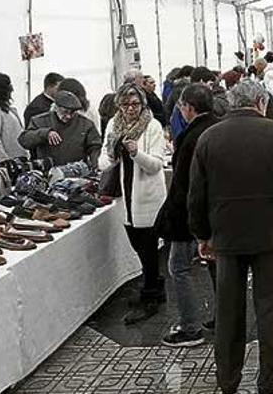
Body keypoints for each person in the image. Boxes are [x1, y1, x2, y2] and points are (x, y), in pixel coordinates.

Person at [188, 79, 273, 394]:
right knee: (269, 307)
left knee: (228, 310)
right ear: (261, 102)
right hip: (270, 235)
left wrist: (203, 234)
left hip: (226, 238)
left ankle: (228, 380)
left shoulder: (209, 137)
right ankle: (270, 376)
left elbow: (196, 195)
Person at [156, 83, 220, 347]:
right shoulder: (219, 128)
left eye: (181, 105)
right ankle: (223, 317)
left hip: (191, 216)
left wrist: (177, 219)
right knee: (218, 268)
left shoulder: (191, 137)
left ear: (189, 108)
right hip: (218, 212)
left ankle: (190, 327)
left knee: (178, 268)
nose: (180, 110)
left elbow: (184, 184)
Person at [98, 83, 167, 324]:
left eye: (135, 104)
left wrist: (137, 153)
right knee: (138, 246)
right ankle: (156, 287)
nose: (130, 109)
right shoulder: (113, 126)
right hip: (124, 197)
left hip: (147, 198)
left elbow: (157, 165)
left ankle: (151, 295)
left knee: (149, 249)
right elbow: (103, 162)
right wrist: (110, 158)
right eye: (125, 104)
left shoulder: (153, 126)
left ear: (143, 104)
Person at [18, 91, 101, 169]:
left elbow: (95, 146)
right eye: (65, 112)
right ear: (56, 107)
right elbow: (24, 140)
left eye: (72, 112)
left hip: (76, 174)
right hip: (48, 173)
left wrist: (94, 165)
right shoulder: (39, 121)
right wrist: (44, 133)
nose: (68, 116)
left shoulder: (86, 124)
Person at [0, 72, 27, 170]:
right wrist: (4, 162)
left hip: (15, 161)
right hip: (3, 165)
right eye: (8, 85)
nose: (11, 89)